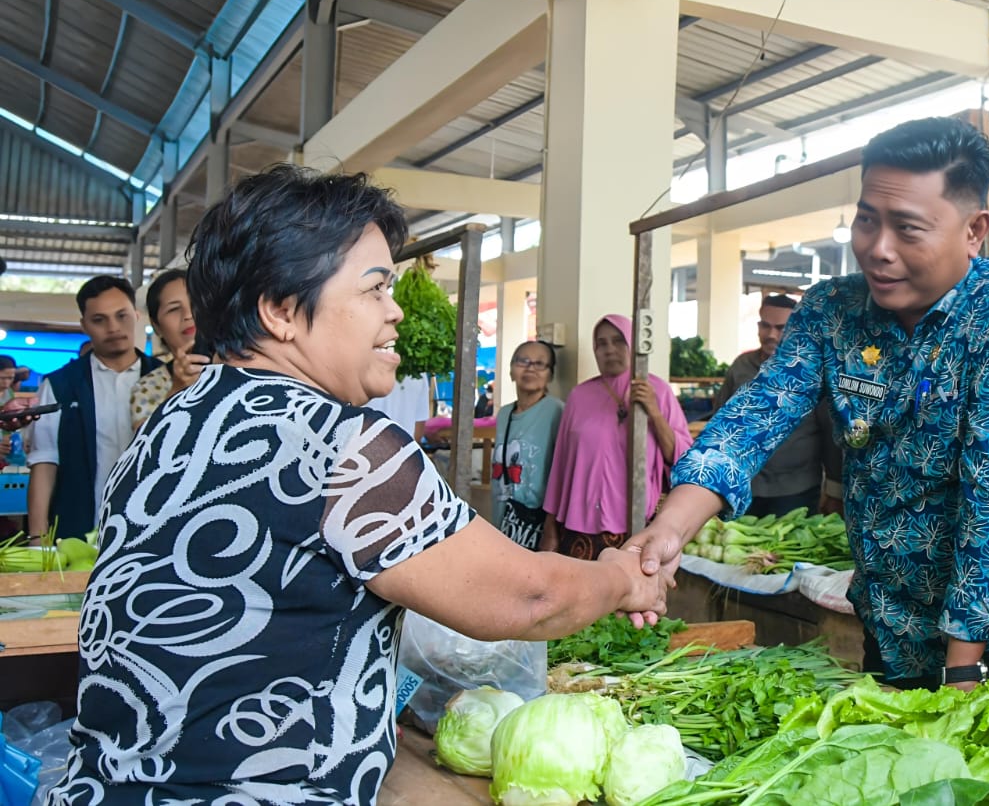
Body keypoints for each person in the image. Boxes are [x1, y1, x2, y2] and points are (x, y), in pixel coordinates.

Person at [47, 166, 666, 806]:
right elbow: (530, 597)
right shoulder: (335, 442)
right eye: (375, 289)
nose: (395, 310)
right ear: (281, 310)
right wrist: (623, 576)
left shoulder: (169, 427)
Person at [627, 117, 989, 719]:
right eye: (868, 219)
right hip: (892, 620)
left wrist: (962, 669)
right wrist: (670, 529)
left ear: (974, 231)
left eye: (907, 228)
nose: (878, 248)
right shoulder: (832, 310)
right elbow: (756, 416)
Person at [541, 315, 691, 559]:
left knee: (628, 596)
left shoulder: (658, 391)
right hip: (578, 526)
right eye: (601, 343)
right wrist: (550, 526)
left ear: (632, 344)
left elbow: (683, 458)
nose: (609, 349)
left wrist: (653, 412)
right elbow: (561, 465)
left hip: (635, 525)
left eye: (618, 341)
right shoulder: (580, 396)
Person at [24, 276, 160, 542]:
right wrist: (37, 538)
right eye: (99, 320)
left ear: (136, 315)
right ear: (84, 325)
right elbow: (44, 461)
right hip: (78, 532)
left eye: (121, 315)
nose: (113, 327)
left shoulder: (165, 380)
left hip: (153, 529)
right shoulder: (60, 384)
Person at [713, 295, 836, 517]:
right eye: (765, 326)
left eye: (781, 328)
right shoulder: (741, 367)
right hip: (744, 486)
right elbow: (720, 421)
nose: (771, 335)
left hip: (796, 489)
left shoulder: (812, 372)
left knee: (787, 549)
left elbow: (830, 435)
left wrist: (834, 490)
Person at [494, 339, 563, 549]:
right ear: (511, 370)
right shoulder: (504, 414)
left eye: (540, 363)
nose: (530, 368)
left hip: (538, 526)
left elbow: (561, 472)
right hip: (504, 521)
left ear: (550, 374)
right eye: (523, 361)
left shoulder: (557, 412)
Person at [129, 269, 210, 431]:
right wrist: (177, 390)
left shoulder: (242, 363)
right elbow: (146, 448)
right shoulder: (148, 388)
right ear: (156, 326)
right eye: (174, 309)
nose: (188, 315)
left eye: (195, 303)